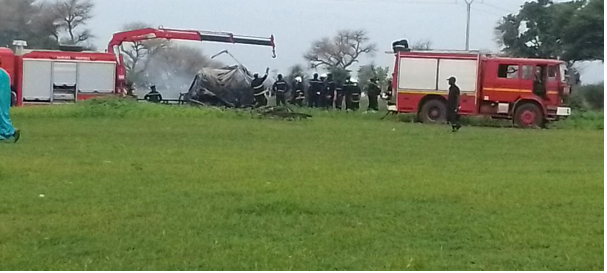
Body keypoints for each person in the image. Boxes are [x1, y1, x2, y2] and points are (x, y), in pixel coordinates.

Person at [0, 67, 19, 143]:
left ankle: (10, 132)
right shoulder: (3, 73)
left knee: (2, 112)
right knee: (3, 111)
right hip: (3, 93)